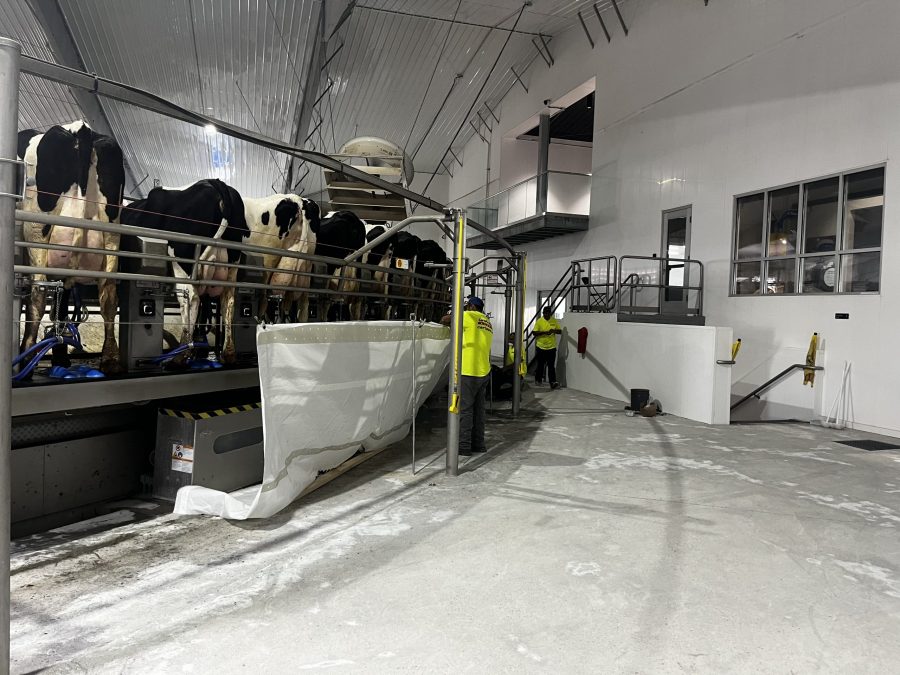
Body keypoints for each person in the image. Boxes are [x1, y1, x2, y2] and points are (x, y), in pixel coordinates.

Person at [441, 296, 493, 456]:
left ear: (470, 306)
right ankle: (479, 444)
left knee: (465, 410)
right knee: (479, 411)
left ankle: (463, 447)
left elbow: (444, 319)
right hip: (484, 371)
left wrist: (459, 311)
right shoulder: (487, 322)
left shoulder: (469, 315)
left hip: (468, 371)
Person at [532, 305, 561, 389]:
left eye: (548, 313)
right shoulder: (539, 321)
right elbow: (534, 332)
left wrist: (553, 330)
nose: (546, 315)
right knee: (540, 365)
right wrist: (544, 332)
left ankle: (552, 382)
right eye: (545, 313)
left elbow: (560, 331)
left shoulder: (554, 321)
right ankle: (538, 379)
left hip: (551, 347)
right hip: (541, 347)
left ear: (550, 313)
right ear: (543, 313)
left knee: (551, 366)